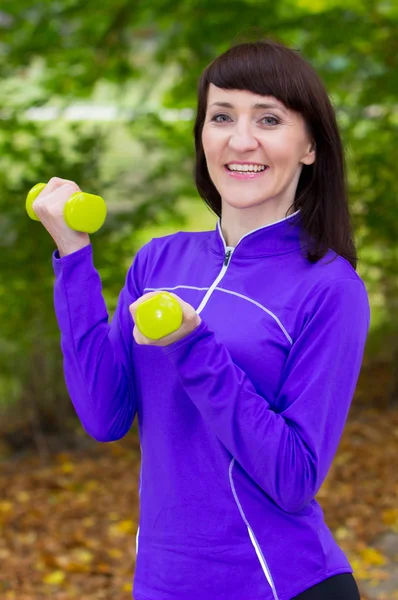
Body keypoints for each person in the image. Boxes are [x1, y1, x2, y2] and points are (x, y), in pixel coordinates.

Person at [32, 39, 370, 600]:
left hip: (279, 583)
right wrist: (72, 256)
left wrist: (193, 344)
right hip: (165, 584)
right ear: (202, 136)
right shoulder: (159, 260)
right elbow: (103, 415)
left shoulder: (329, 286)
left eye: (268, 118)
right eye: (221, 117)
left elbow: (293, 478)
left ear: (309, 144)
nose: (241, 140)